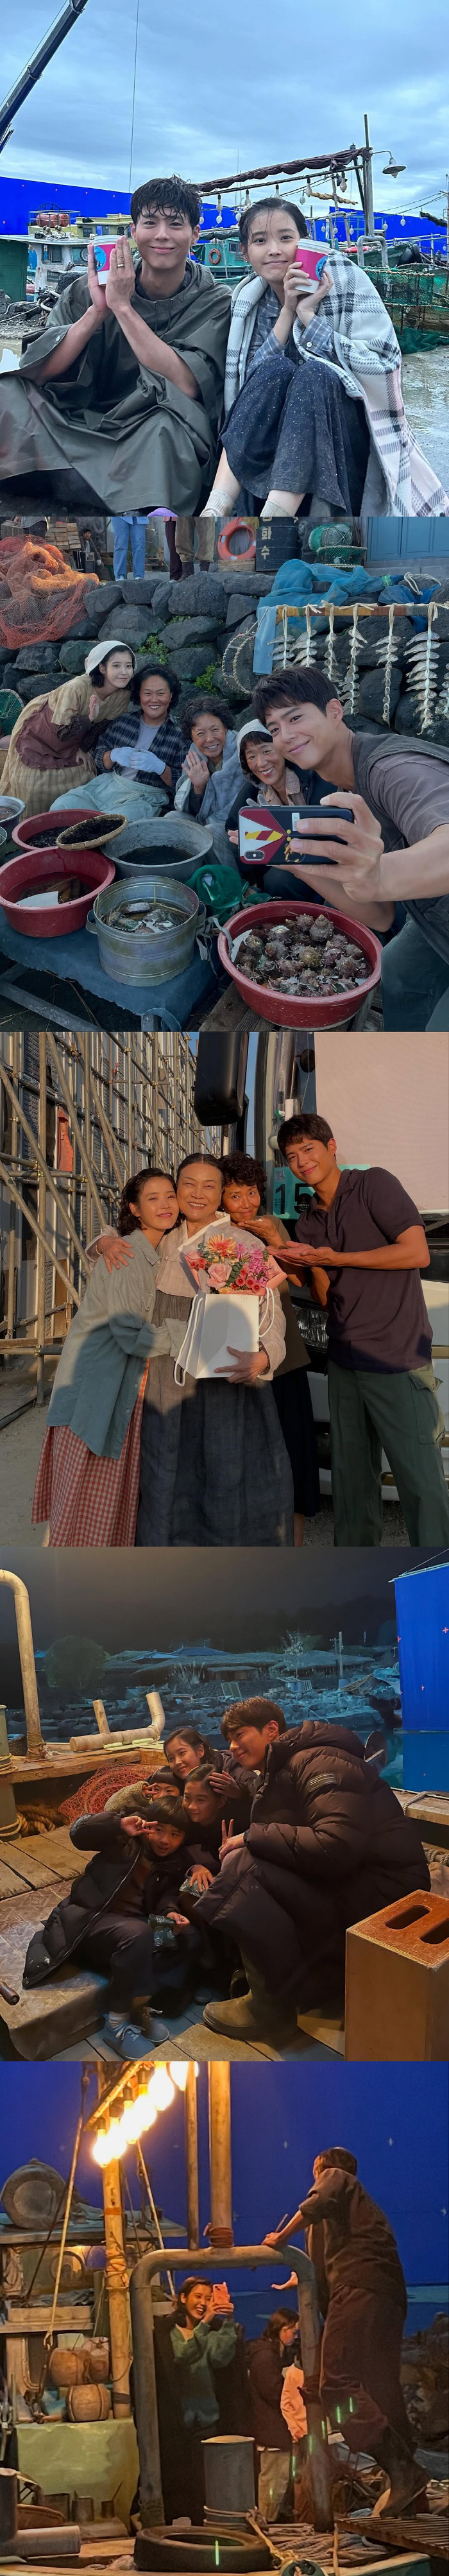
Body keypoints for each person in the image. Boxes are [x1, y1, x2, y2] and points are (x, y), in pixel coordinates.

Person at [85, 1151, 294, 1543]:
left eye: (210, 1186)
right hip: (164, 1370)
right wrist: (103, 1243)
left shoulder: (243, 1241)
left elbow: (272, 1310)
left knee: (225, 1466)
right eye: (189, 1185)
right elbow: (115, 1243)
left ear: (221, 1194)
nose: (198, 1194)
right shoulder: (163, 1235)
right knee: (164, 1464)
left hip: (227, 1372)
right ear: (176, 1189)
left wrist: (265, 1355)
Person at [196, 1696, 430, 2042]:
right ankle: (296, 1984)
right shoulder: (284, 1767)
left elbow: (334, 1845)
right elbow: (256, 1790)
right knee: (248, 1861)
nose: (232, 1746)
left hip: (389, 1892)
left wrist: (252, 1837)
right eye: (228, 1739)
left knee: (246, 1867)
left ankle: (269, 2008)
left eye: (239, 1735)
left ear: (272, 1729)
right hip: (358, 1881)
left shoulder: (318, 1760)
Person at [201, 198, 448, 525]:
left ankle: (274, 521)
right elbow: (250, 387)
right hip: (273, 438)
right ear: (245, 253)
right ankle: (214, 511)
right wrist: (289, 311)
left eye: (285, 238)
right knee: (277, 370)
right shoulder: (248, 300)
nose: (274, 249)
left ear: (304, 242)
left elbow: (384, 366)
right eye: (260, 241)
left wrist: (310, 318)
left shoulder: (345, 281)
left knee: (315, 375)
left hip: (345, 433)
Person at [271, 1112, 449, 1549]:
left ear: (331, 1148)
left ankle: (436, 1586)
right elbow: (329, 1296)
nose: (302, 1162)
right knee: (352, 1485)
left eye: (309, 1150)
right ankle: (357, 1580)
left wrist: (335, 1257)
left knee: (421, 1482)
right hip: (345, 1359)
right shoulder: (310, 1221)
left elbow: (416, 1253)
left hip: (397, 1357)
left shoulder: (374, 1184)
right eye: (292, 1157)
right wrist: (292, 1260)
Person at [0, 177, 231, 513]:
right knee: (9, 392)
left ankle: (94, 489)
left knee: (172, 425)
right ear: (134, 233)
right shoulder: (88, 288)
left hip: (145, 431)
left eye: (176, 224)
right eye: (150, 223)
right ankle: (74, 482)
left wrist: (123, 308)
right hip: (76, 422)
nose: (162, 235)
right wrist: (99, 310)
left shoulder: (214, 301)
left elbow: (187, 383)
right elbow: (40, 369)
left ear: (195, 234)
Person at [251, 665, 449, 1018]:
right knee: (399, 967)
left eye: (295, 717)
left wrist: (380, 874)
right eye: (275, 729)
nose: (286, 736)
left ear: (335, 711)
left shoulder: (393, 769)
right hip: (436, 920)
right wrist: (295, 866)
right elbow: (381, 916)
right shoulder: (347, 790)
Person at [31, 1168, 184, 1547]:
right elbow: (132, 1338)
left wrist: (101, 1241)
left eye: (170, 1196)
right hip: (98, 1391)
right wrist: (192, 1335)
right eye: (153, 1198)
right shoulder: (128, 1256)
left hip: (120, 1388)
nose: (165, 1205)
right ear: (134, 1208)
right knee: (87, 1499)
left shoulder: (158, 1248)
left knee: (106, 1496)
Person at [265, 2147, 423, 2514]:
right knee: (381, 2389)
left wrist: (283, 2237)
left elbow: (320, 2199)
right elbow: (320, 2277)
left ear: (321, 2170)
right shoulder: (346, 2218)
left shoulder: (338, 2179)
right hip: (385, 2295)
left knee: (336, 2385)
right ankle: (413, 2499)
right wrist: (300, 2277)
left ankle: (404, 2471)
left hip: (359, 2288)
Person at [22, 1792, 217, 2057]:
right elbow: (79, 1833)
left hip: (132, 1930)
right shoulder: (124, 1841)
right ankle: (116, 2023)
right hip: (89, 1923)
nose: (164, 1840)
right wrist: (117, 1824)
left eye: (175, 1834)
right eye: (158, 1830)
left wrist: (171, 1915)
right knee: (140, 1934)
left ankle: (139, 2004)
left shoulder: (175, 1861)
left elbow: (166, 1898)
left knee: (187, 1937)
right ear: (147, 1825)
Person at [219, 1149, 321, 1543]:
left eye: (251, 1192)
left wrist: (278, 1239)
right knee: (245, 1457)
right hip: (237, 1355)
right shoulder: (213, 1233)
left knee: (294, 1451)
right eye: (235, 1195)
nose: (246, 1203)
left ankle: (294, 1545)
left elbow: (298, 1282)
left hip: (284, 1355)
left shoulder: (273, 1224)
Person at [154, 2276, 250, 2525]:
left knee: (205, 2485)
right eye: (198, 2297)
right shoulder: (168, 2333)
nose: (204, 2303)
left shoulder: (210, 2331)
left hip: (207, 2421)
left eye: (209, 2299)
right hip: (176, 2424)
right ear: (183, 2298)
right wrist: (206, 2323)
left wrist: (228, 2321)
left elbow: (220, 2357)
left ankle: (204, 2530)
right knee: (175, 2483)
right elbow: (182, 2356)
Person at [0, 640, 135, 818]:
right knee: (32, 787)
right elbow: (62, 733)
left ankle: (66, 826)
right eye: (116, 665)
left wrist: (83, 749)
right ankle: (26, 826)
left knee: (84, 775)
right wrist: (89, 718)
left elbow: (102, 727)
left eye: (129, 666)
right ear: (102, 668)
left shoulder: (122, 695)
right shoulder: (77, 688)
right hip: (43, 731)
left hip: (77, 738)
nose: (124, 672)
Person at [94, 658, 183, 797]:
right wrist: (113, 755)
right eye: (147, 693)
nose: (154, 700)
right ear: (139, 695)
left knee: (121, 818)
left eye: (161, 693)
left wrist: (161, 768)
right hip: (110, 785)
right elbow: (98, 754)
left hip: (146, 797)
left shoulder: (181, 735)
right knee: (64, 804)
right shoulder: (122, 722)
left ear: (171, 695)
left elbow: (183, 782)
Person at [248, 2309, 302, 2519]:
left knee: (278, 2481)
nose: (295, 2335)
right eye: (292, 2331)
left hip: (276, 2429)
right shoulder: (265, 2357)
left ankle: (271, 2520)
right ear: (280, 2329)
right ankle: (267, 2523)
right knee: (273, 2481)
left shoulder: (276, 2353)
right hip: (272, 2430)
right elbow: (274, 2392)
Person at [174, 696, 242, 852]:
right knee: (173, 818)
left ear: (225, 728)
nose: (210, 739)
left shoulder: (243, 750)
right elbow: (188, 809)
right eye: (201, 734)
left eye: (215, 730)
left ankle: (232, 874)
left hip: (235, 824)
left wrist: (210, 821)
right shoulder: (194, 754)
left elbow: (246, 799)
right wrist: (198, 787)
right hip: (204, 821)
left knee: (211, 832)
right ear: (191, 736)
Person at [110, 513, 148, 580]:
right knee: (120, 545)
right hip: (120, 513)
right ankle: (120, 576)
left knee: (140, 545)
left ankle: (139, 576)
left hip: (139, 514)